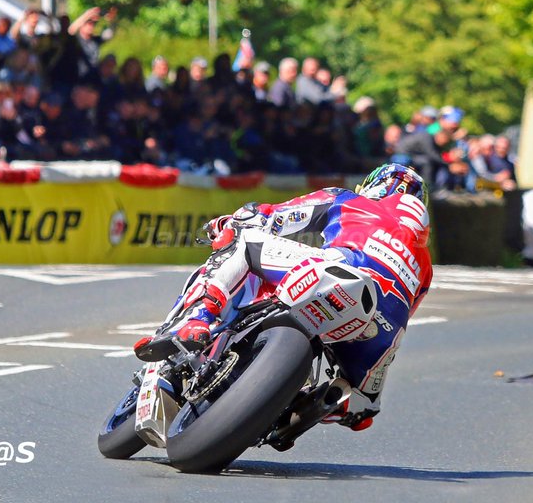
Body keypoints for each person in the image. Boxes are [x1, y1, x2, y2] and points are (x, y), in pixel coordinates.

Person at [134, 163, 432, 431]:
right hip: (381, 332)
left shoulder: (350, 200)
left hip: (341, 272)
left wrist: (233, 222)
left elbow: (271, 217)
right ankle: (310, 406)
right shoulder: (426, 265)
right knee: (361, 409)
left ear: (373, 185)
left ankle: (200, 318)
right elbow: (408, 309)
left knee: (245, 241)